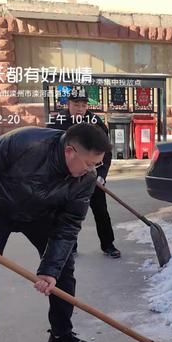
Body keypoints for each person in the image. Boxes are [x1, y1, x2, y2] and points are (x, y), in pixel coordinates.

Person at [0, 124, 111, 342]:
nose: (91, 170)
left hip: (41, 215)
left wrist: (50, 270)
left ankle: (61, 335)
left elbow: (69, 225)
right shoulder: (25, 143)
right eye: (88, 163)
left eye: (96, 164)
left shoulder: (87, 179)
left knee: (63, 270)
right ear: (69, 151)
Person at [48, 92, 121, 259]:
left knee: (101, 211)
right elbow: (50, 151)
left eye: (84, 105)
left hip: (91, 175)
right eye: (76, 104)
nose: (80, 109)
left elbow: (106, 152)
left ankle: (108, 244)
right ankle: (70, 247)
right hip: (67, 179)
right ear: (68, 104)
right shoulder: (57, 122)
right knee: (65, 213)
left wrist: (101, 175)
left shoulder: (96, 123)